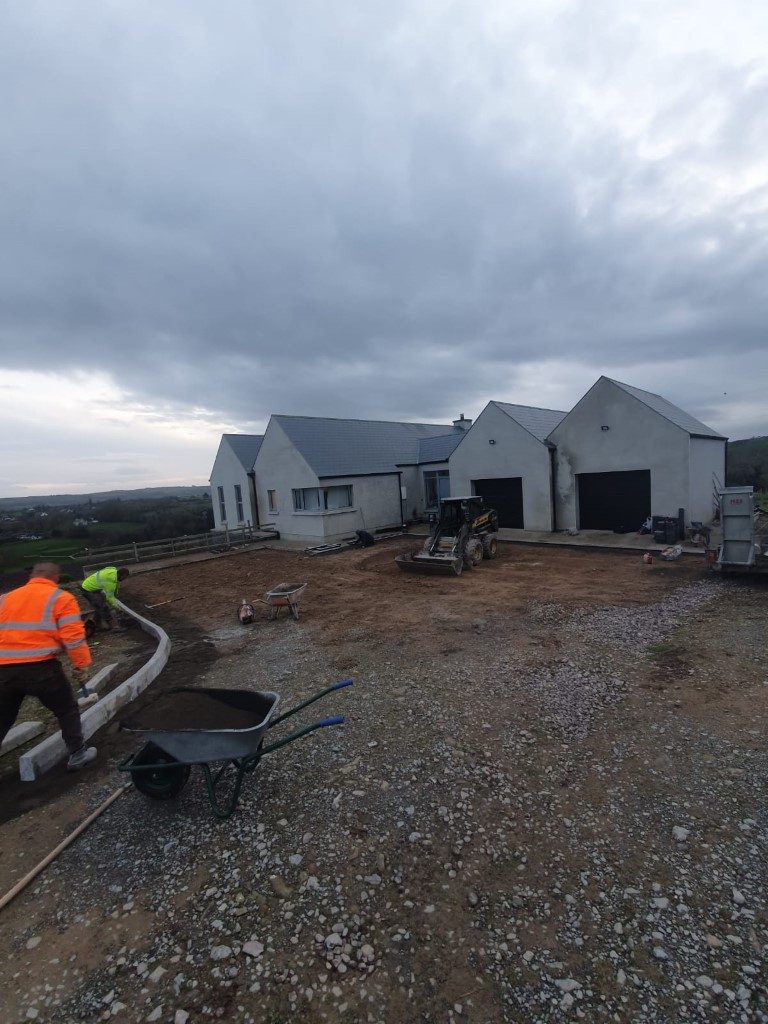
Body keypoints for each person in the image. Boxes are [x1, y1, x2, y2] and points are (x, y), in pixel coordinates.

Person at [0, 562, 96, 771]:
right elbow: (73, 638)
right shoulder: (61, 598)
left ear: (32, 576)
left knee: (3, 718)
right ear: (55, 577)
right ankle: (78, 753)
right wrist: (81, 665)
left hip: (3, 670)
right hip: (41, 669)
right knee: (66, 709)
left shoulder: (5, 598)